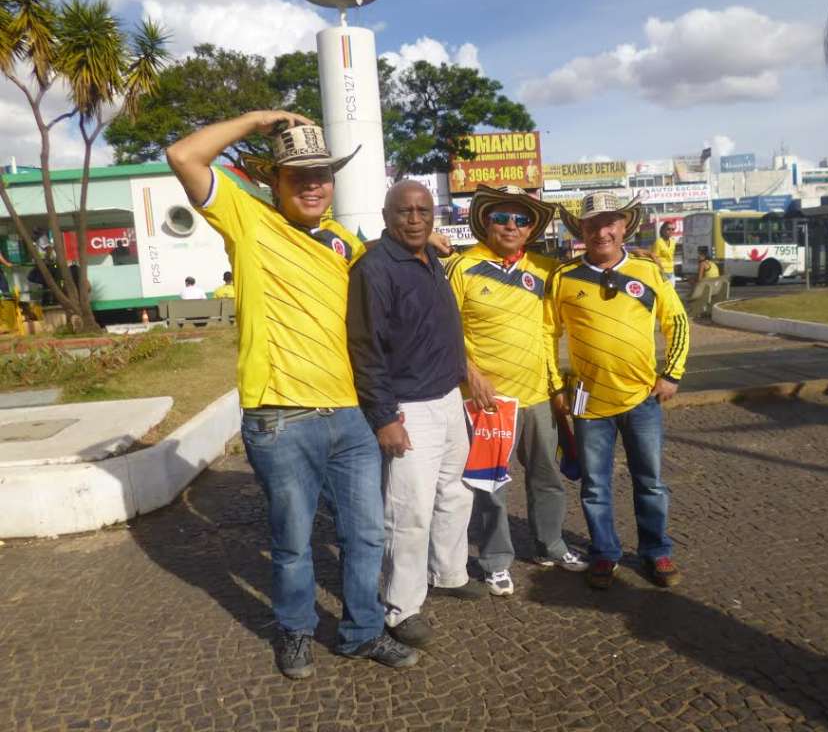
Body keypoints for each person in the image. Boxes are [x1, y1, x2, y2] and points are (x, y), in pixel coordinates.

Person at [166, 110, 417, 679]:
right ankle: (297, 630)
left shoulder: (346, 244)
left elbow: (385, 300)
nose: (312, 184)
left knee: (366, 534)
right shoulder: (246, 220)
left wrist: (430, 249)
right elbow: (184, 156)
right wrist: (258, 119)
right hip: (280, 418)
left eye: (322, 173)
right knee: (293, 541)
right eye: (298, 174)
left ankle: (362, 633)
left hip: (349, 417)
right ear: (273, 181)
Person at [347, 179, 481, 651]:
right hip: (409, 408)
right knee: (409, 512)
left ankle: (448, 571)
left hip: (447, 398)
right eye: (405, 211)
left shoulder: (431, 259)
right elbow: (365, 349)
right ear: (386, 216)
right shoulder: (375, 270)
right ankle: (400, 607)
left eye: (424, 210)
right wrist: (384, 417)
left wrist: (464, 376)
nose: (416, 218)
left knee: (455, 493)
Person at [445, 185, 587, 598]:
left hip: (537, 396)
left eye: (521, 219)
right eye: (502, 217)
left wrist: (634, 265)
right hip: (487, 403)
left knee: (547, 478)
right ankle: (494, 560)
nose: (511, 225)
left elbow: (589, 278)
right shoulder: (462, 267)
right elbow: (444, 330)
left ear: (531, 229)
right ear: (486, 222)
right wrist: (470, 373)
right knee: (491, 487)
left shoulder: (546, 269)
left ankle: (550, 545)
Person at [546, 191, 690, 590]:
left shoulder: (648, 271)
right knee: (594, 486)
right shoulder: (563, 276)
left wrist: (672, 373)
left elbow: (676, 322)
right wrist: (555, 384)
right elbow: (547, 332)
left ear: (624, 226)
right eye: (593, 225)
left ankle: (656, 551)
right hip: (589, 403)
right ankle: (605, 553)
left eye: (610, 222)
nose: (602, 231)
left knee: (651, 480)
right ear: (582, 231)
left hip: (642, 398)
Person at [651, 222, 677, 286]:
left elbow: (672, 256)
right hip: (662, 272)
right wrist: (661, 272)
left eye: (673, 229)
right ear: (663, 230)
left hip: (671, 271)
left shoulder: (673, 242)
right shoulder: (658, 242)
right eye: (668, 229)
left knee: (671, 292)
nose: (671, 231)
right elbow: (654, 257)